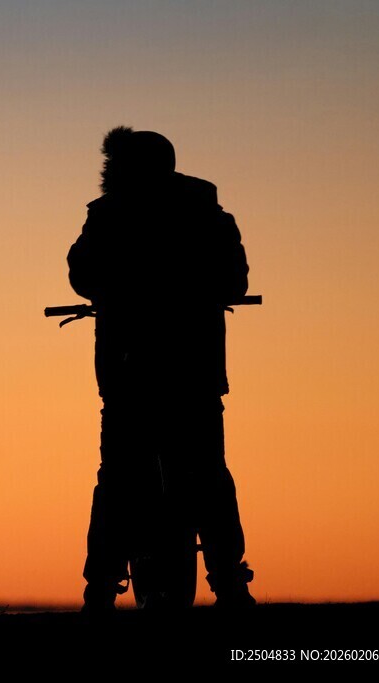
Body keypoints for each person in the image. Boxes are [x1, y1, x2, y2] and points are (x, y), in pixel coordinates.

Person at [68, 127, 256, 611]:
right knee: (208, 473)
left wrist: (120, 292)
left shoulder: (108, 215)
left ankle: (102, 586)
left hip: (128, 372)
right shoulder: (208, 212)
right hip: (194, 370)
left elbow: (81, 274)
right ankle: (230, 581)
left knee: (118, 477)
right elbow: (235, 277)